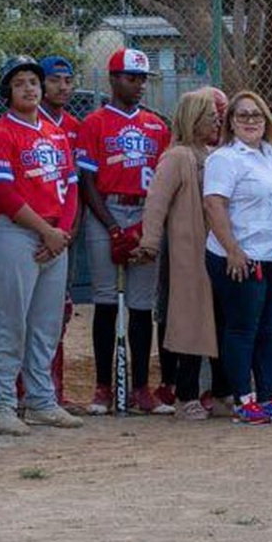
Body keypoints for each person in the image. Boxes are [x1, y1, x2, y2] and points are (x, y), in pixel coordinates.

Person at [0, 56, 84, 435]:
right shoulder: (0, 132)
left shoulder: (55, 133)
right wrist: (46, 231)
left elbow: (71, 185)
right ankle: (2, 404)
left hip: (55, 237)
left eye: (34, 82)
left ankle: (41, 400)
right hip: (17, 234)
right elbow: (3, 193)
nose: (29, 88)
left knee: (46, 325)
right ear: (8, 90)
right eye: (20, 82)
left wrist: (62, 232)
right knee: (10, 323)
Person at [204, 91, 272, 425]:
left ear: (266, 120)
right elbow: (214, 204)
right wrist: (234, 249)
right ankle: (242, 398)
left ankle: (269, 395)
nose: (251, 121)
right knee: (242, 328)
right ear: (231, 123)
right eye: (243, 115)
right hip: (242, 256)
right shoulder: (225, 159)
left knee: (270, 329)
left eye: (256, 115)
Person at [76, 48, 174, 416]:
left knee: (140, 304)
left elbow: (164, 182)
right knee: (104, 300)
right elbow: (87, 180)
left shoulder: (157, 126)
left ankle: (141, 388)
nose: (139, 85)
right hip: (107, 211)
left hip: (147, 213)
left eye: (142, 79)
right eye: (131, 78)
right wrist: (114, 227)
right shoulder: (95, 122)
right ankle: (103, 386)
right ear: (114, 79)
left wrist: (147, 224)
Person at [133, 91, 226, 421]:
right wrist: (150, 242)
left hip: (217, 251)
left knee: (218, 321)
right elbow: (156, 203)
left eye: (217, 116)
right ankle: (185, 394)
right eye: (209, 116)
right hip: (187, 253)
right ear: (192, 119)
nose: (217, 120)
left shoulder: (214, 155)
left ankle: (219, 392)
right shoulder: (177, 157)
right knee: (190, 323)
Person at [36, 55, 82, 412]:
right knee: (26, 315)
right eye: (54, 80)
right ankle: (27, 391)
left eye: (68, 80)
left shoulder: (74, 126)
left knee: (58, 313)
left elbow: (75, 186)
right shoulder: (25, 124)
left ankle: (55, 390)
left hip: (64, 233)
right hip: (30, 232)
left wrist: (65, 233)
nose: (62, 87)